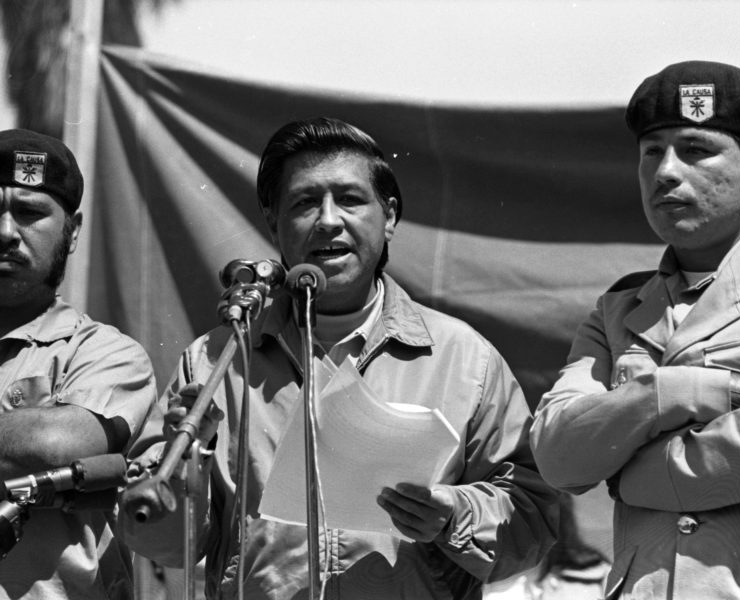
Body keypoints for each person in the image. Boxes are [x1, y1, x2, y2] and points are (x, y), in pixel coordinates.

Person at [120, 117, 559, 599]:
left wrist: (453, 514)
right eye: (305, 202)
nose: (328, 220)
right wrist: (193, 468)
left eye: (350, 199)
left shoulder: (464, 358)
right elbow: (155, 540)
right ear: (274, 222)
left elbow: (532, 524)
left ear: (388, 216)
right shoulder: (216, 361)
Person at [530, 60, 740, 599]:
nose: (666, 171)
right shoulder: (618, 308)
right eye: (652, 152)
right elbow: (559, 454)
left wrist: (637, 474)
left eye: (696, 150)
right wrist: (669, 392)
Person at [0, 129, 158, 598]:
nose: (5, 231)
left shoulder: (105, 353)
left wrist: (38, 437)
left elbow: (58, 445)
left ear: (73, 230)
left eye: (29, 213)